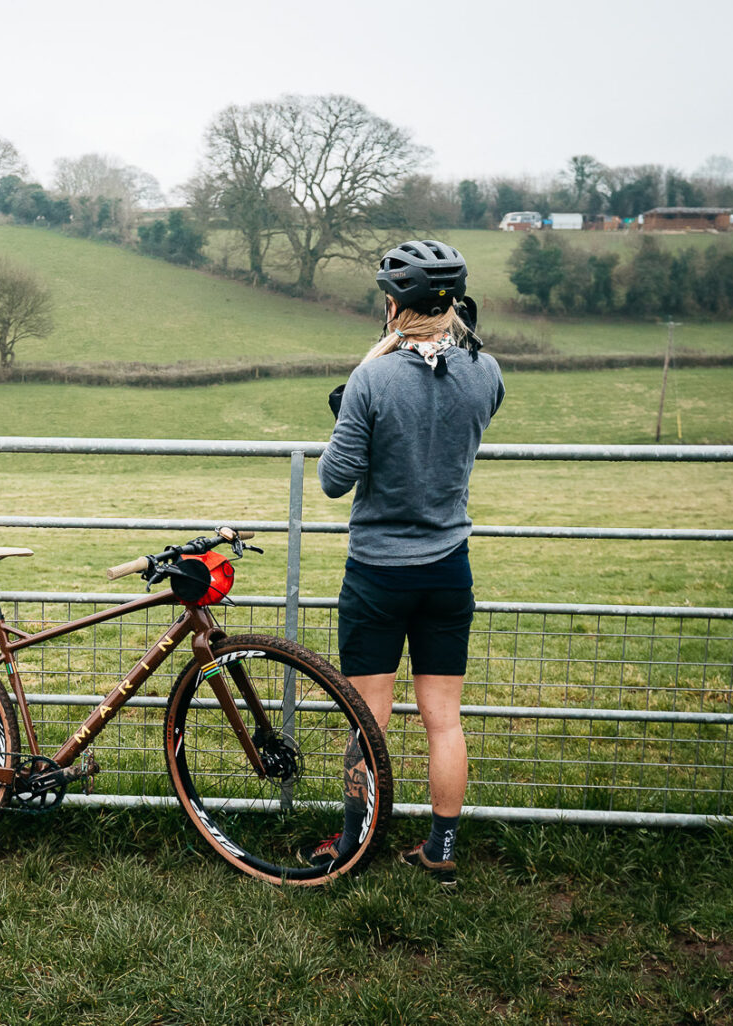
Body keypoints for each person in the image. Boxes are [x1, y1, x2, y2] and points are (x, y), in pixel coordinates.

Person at [306, 239, 504, 888]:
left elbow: (336, 479)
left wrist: (355, 392)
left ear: (394, 306)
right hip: (450, 569)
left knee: (369, 720)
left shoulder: (372, 379)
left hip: (378, 576)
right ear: (453, 303)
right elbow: (460, 408)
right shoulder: (487, 373)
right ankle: (440, 850)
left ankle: (354, 847)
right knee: (444, 719)